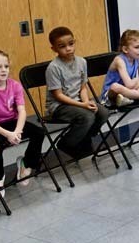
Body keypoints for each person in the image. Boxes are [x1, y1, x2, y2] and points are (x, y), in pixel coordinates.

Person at [0, 49, 46, 197]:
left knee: (39, 132)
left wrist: (17, 131)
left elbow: (22, 111)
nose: (3, 70)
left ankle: (26, 163)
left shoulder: (15, 85)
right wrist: (8, 135)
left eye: (6, 66)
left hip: (12, 122)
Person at [45, 26, 109, 160]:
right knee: (87, 117)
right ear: (54, 49)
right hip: (58, 106)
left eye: (71, 44)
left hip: (78, 103)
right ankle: (66, 143)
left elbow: (83, 88)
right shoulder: (53, 68)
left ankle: (84, 138)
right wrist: (83, 106)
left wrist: (86, 102)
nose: (68, 48)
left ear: (75, 42)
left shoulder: (82, 62)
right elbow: (59, 96)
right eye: (62, 46)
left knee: (103, 112)